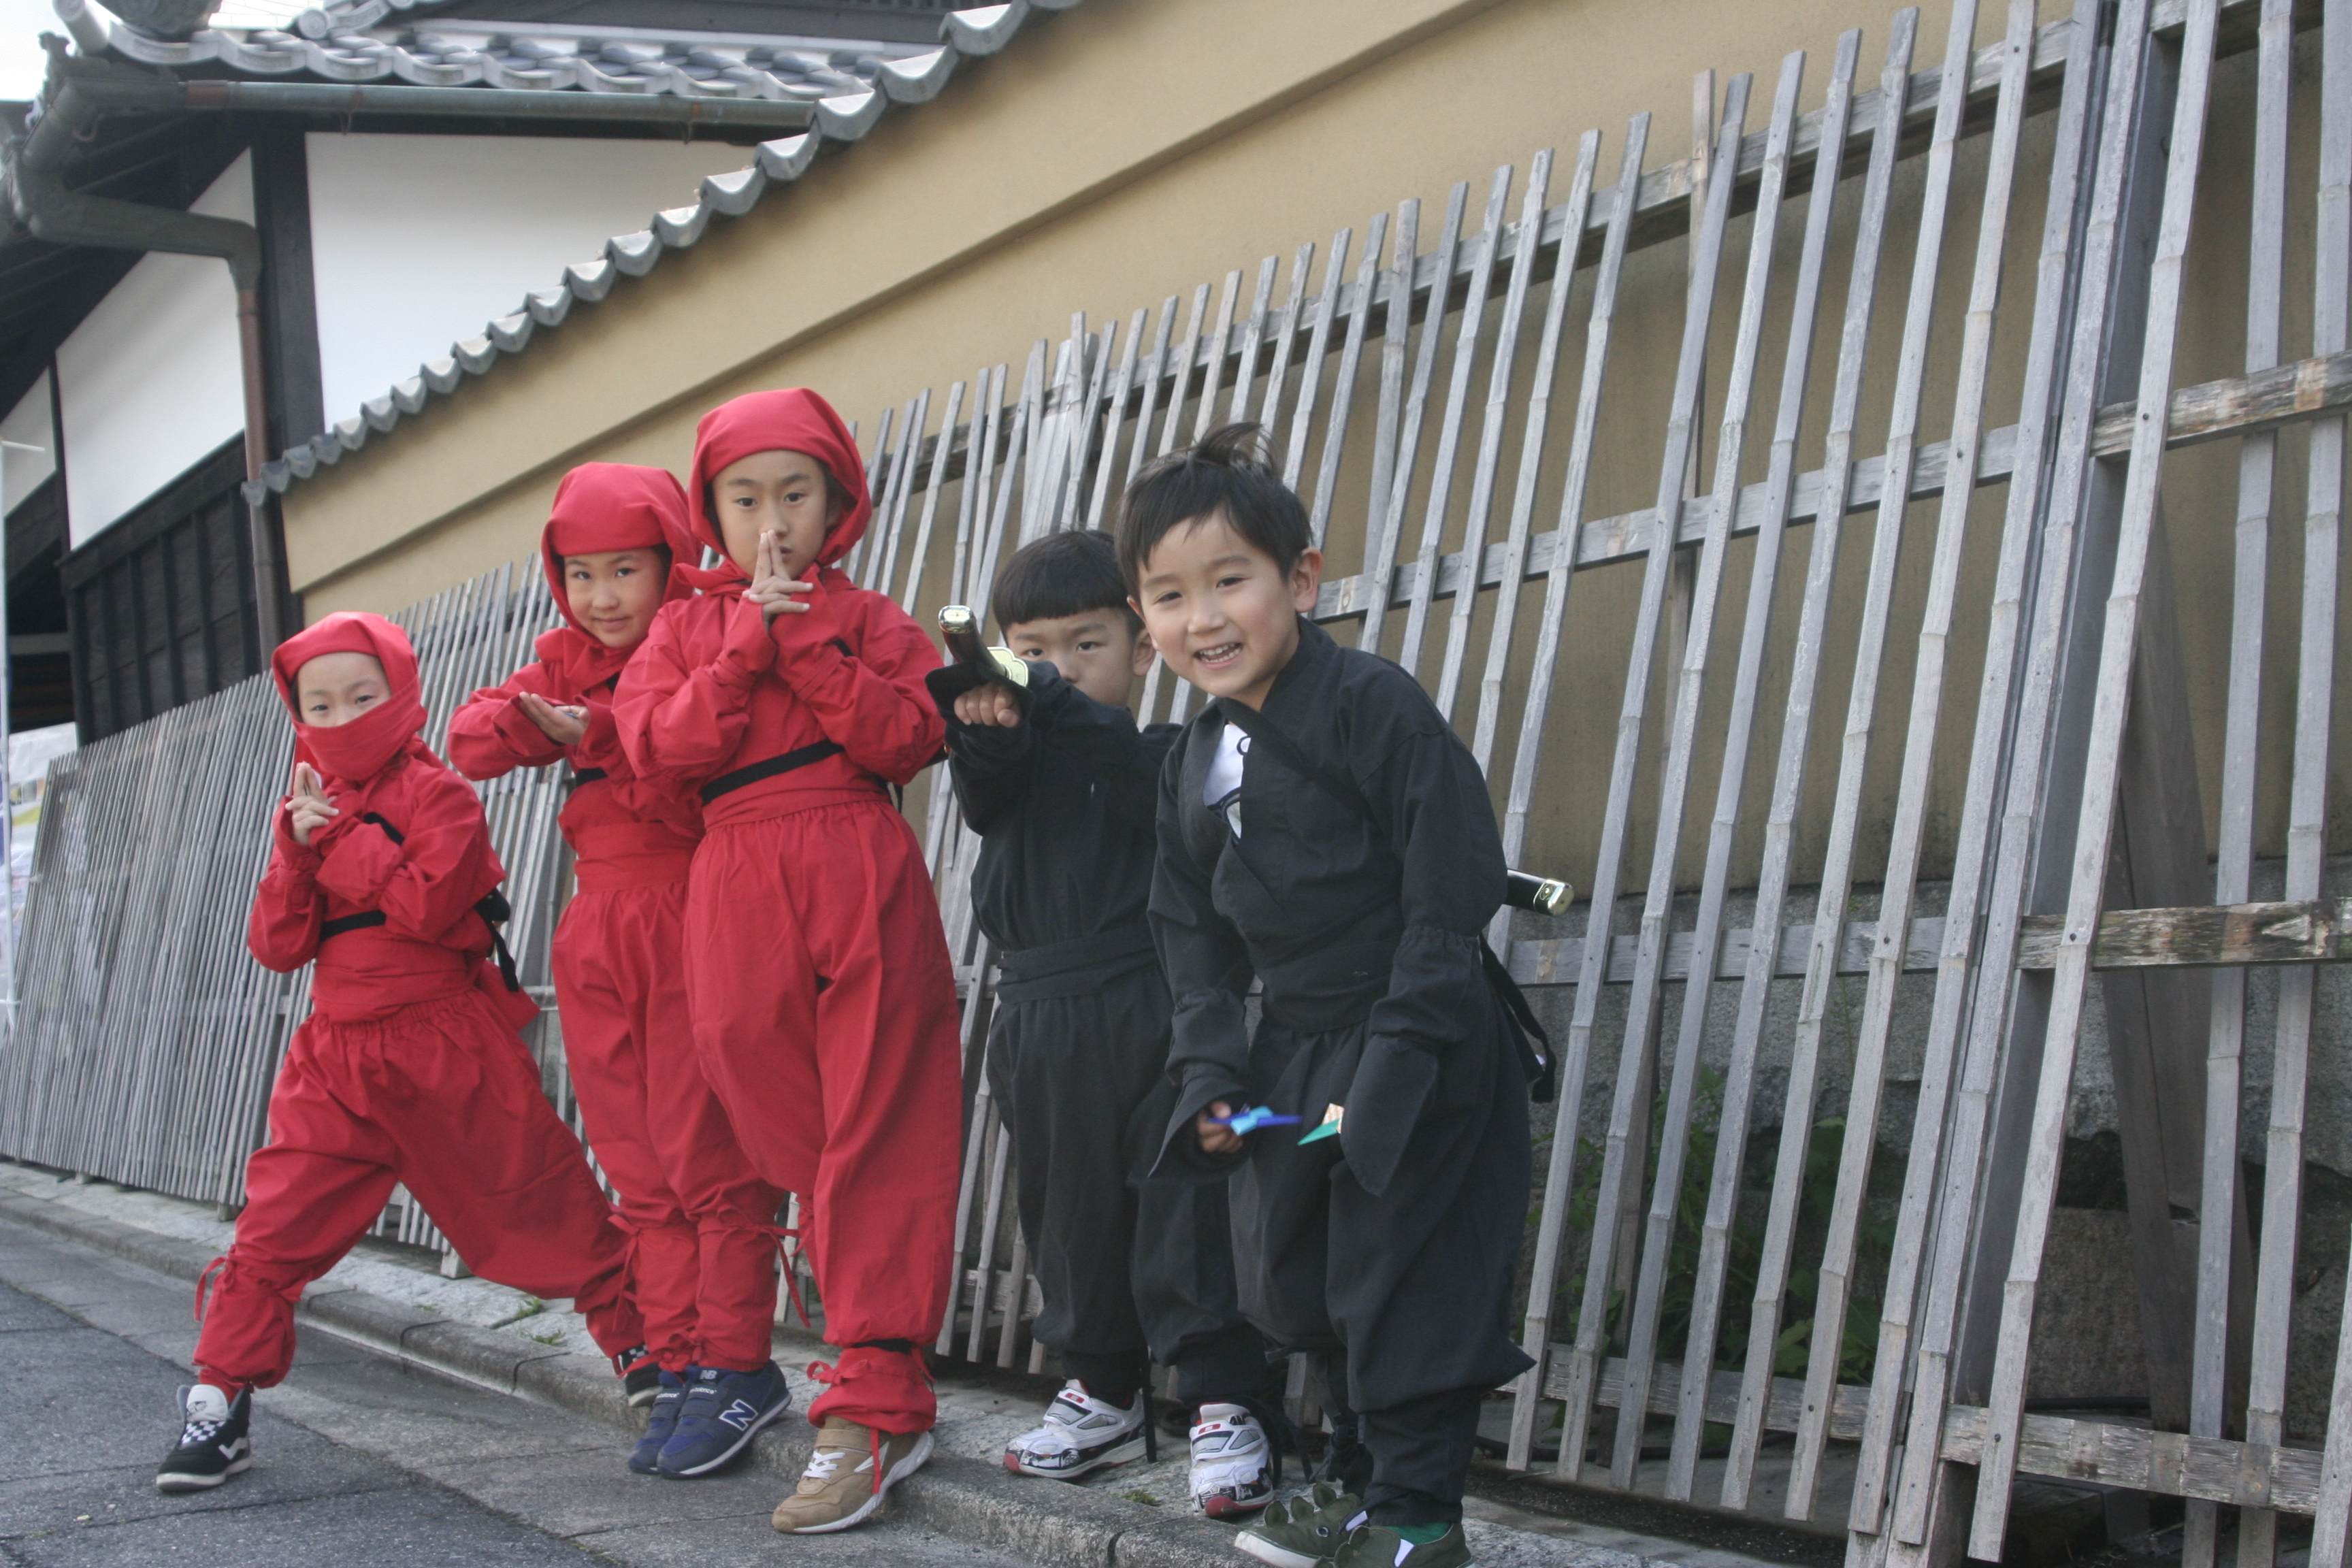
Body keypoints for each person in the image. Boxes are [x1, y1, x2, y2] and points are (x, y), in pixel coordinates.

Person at [1120, 425, 1541, 1568]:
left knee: (1407, 1270)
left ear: (1300, 579)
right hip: (1295, 1048)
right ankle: (1359, 1488)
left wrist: (1398, 1056)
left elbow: (1448, 890)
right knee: (1312, 1273)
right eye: (1168, 595)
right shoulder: (1195, 757)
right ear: (1143, 618)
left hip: (1419, 1028)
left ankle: (1418, 1516)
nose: (1203, 619)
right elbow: (1191, 935)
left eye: (1230, 581)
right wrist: (1211, 1069)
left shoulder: (1371, 705)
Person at [160, 612, 645, 1494]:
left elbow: (426, 909)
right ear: (298, 713)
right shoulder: (304, 809)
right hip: (334, 1060)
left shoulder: (441, 795)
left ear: (401, 694)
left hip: (444, 1042)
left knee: (547, 1211)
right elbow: (276, 945)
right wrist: (290, 850)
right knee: (267, 1238)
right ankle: (218, 1398)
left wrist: (335, 843)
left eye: (363, 696)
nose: (344, 718)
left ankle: (647, 1348)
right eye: (322, 704)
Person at [614, 388, 962, 1535]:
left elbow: (911, 736)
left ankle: (874, 1395)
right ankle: (864, 1286)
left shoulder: (868, 615)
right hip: (732, 871)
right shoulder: (677, 624)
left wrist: (804, 639)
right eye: (746, 496)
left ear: (838, 503)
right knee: (768, 1095)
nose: (773, 521)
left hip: (857, 852)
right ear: (711, 509)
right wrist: (740, 649)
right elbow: (656, 757)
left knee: (881, 1120)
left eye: (797, 495)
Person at [448, 463, 793, 1480]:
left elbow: (692, 756)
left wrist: (595, 731)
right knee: (638, 1165)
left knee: (711, 1155)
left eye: (626, 570)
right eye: (582, 574)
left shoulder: (706, 630)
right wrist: (529, 719)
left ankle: (738, 1362)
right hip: (597, 922)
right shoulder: (561, 652)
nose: (604, 597)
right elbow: (468, 739)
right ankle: (682, 1359)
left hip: (692, 909)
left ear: (671, 561)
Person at [930, 529, 1285, 1516]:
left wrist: (1046, 704)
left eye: (1086, 645)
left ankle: (1223, 1401)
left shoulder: (1173, 751)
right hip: (1038, 1008)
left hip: (1160, 999)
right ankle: (1103, 1394)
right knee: (1067, 1207)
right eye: (1033, 650)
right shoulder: (1010, 761)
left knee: (1188, 1204)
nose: (1060, 670)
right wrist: (990, 726)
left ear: (1142, 648)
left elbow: (1145, 789)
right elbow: (984, 784)